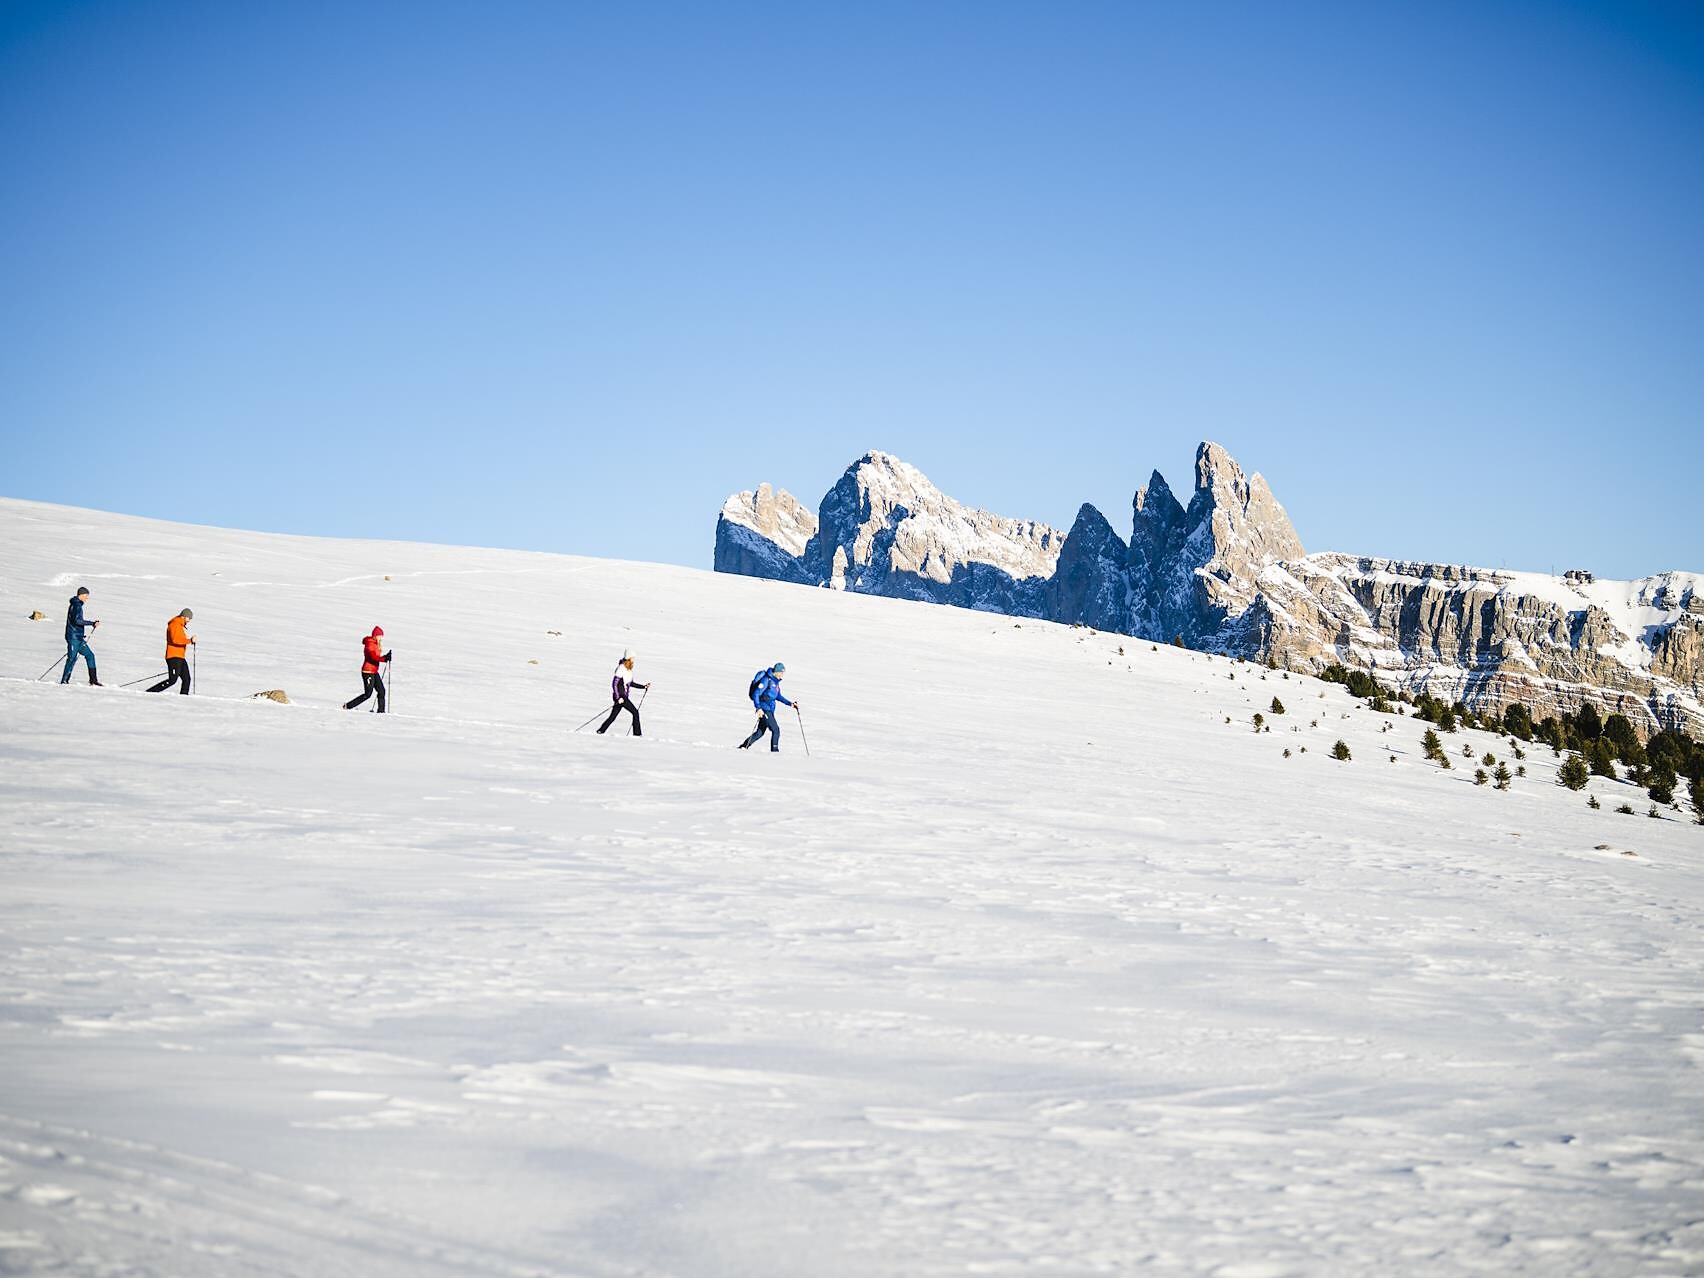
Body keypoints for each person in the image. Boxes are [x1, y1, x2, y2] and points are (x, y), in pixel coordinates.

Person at [740, 661, 799, 752]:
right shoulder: (766, 680)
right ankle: (774, 751)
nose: (782, 674)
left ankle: (743, 746)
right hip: (764, 709)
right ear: (777, 671)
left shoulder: (775, 682)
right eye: (781, 672)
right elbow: (756, 694)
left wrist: (790, 704)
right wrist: (758, 708)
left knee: (760, 732)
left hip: (770, 709)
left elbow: (778, 696)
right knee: (776, 730)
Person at [597, 649, 651, 736]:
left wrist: (643, 686)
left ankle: (600, 731)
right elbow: (614, 684)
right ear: (629, 658)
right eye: (632, 657)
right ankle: (637, 734)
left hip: (623, 697)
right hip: (621, 697)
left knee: (613, 716)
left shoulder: (628, 670)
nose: (634, 659)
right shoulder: (621, 668)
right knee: (635, 712)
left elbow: (630, 683)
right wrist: (618, 697)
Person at [343, 626, 391, 712]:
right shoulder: (369, 644)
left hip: (374, 671)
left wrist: (386, 657)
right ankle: (348, 706)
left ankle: (381, 711)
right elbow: (373, 657)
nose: (381, 638)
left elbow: (377, 657)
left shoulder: (376, 644)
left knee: (382, 691)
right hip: (367, 672)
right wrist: (384, 658)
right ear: (375, 635)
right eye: (380, 636)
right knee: (368, 694)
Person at [148, 609, 197, 695]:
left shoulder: (179, 625)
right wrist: (190, 640)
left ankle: (184, 697)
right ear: (184, 616)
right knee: (172, 680)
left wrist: (190, 641)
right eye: (189, 618)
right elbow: (175, 640)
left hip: (180, 657)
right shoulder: (175, 624)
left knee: (187, 679)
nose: (189, 620)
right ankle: (151, 692)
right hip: (173, 657)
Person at [60, 587, 101, 686]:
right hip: (73, 637)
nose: (87, 598)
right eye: (86, 596)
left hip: (78, 637)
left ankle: (93, 680)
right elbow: (77, 621)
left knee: (90, 655)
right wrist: (92, 623)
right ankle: (64, 681)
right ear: (81, 595)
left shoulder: (77, 605)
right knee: (72, 658)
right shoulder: (76, 605)